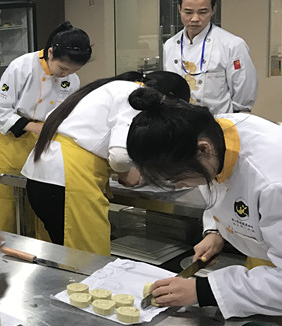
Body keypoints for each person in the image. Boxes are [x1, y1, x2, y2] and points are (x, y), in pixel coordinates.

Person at [126, 88, 282, 318]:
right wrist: (216, 231)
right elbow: (221, 188)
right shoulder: (210, 135)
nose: (179, 186)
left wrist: (203, 291)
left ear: (203, 149)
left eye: (179, 178)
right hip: (267, 262)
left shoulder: (275, 182)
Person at [21, 71, 190, 255]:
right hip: (67, 179)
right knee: (86, 258)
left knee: (61, 254)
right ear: (168, 97)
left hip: (45, 175)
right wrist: (128, 173)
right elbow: (120, 156)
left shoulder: (112, 87)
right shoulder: (137, 97)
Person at [0, 22, 91, 234]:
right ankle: (2, 248)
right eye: (63, 69)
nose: (66, 75)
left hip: (47, 142)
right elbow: (1, 112)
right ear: (50, 53)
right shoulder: (21, 67)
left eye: (73, 71)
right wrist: (36, 128)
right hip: (12, 141)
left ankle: (43, 251)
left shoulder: (72, 79)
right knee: (5, 203)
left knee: (43, 202)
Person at [162, 0, 257, 114]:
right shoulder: (170, 45)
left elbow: (243, 98)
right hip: (178, 121)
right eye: (188, 12)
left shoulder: (232, 45)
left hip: (219, 122)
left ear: (213, 9)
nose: (195, 19)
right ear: (179, 9)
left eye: (202, 12)